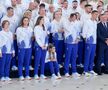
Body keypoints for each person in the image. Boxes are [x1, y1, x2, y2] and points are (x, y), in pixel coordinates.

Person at [63, 13, 81, 78]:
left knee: (74, 57)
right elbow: (68, 30)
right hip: (69, 42)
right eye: (73, 17)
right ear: (70, 17)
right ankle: (66, 72)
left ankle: (74, 71)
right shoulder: (65, 22)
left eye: (75, 18)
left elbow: (78, 32)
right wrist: (71, 22)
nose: (74, 19)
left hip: (75, 43)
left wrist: (78, 38)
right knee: (68, 57)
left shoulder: (77, 23)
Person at [82, 10, 98, 77]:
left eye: (97, 14)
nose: (96, 15)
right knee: (87, 56)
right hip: (89, 41)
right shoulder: (87, 22)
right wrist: (87, 40)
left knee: (92, 56)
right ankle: (85, 71)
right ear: (91, 14)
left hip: (94, 42)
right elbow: (84, 32)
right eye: (95, 14)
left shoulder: (95, 22)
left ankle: (90, 69)